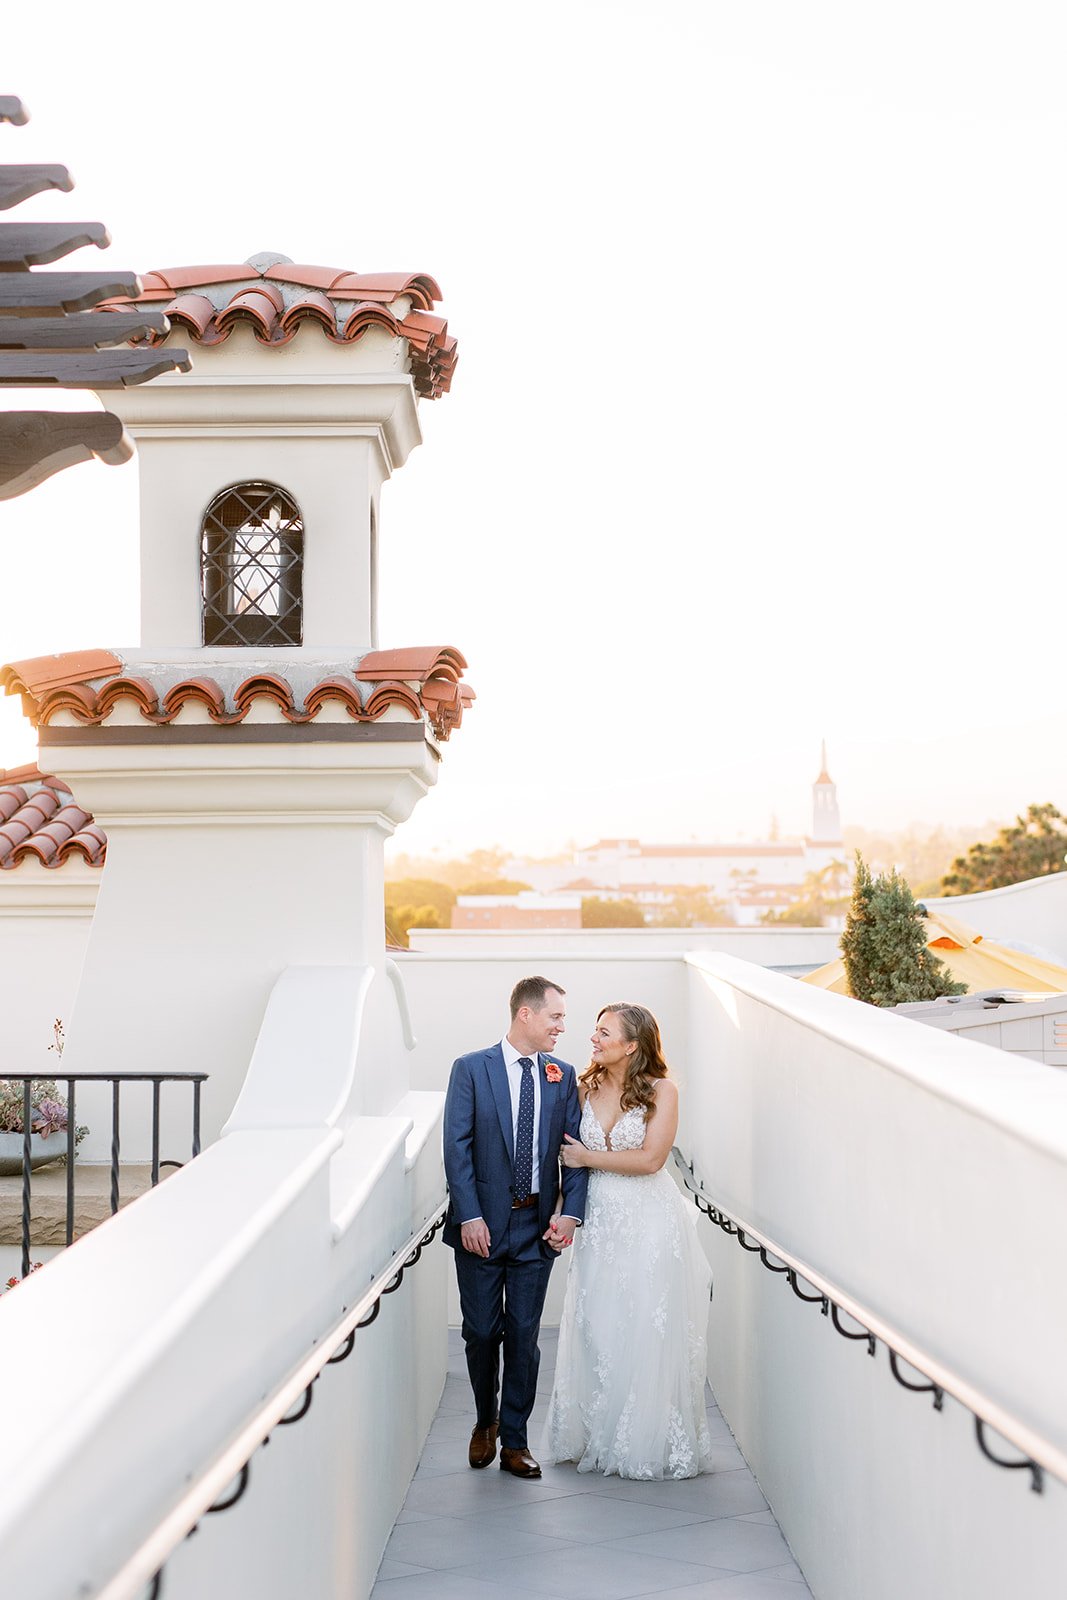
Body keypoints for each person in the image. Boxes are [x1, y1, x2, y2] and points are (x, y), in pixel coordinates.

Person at [543, 1002, 713, 1479]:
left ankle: (647, 1439)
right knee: (599, 1322)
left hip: (651, 1220)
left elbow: (650, 1160)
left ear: (632, 1045)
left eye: (604, 1033)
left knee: (646, 1324)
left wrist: (587, 1158)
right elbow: (565, 1162)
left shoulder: (663, 1091)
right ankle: (599, 1430)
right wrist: (561, 1213)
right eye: (595, 1032)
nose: (593, 1039)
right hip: (599, 1221)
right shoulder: (582, 1087)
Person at [443, 975, 588, 1478]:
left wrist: (569, 1213)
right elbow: (456, 1147)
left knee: (524, 1336)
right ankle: (485, 1420)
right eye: (555, 1017)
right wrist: (470, 1215)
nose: (561, 1028)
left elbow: (573, 1152)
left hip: (535, 1228)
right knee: (482, 1332)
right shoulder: (470, 1069)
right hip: (479, 1228)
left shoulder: (562, 1075)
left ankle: (515, 1441)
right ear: (525, 1014)